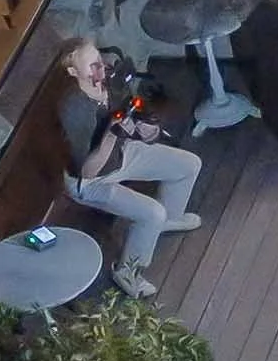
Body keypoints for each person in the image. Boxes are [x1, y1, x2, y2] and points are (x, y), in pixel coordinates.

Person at [55, 36, 202, 298]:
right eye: (92, 67)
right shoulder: (74, 110)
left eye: (99, 61)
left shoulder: (110, 81)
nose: (101, 70)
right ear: (72, 72)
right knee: (151, 213)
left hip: (122, 151)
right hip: (90, 181)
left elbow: (130, 114)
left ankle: (169, 220)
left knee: (188, 165)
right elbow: (88, 171)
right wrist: (111, 135)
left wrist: (146, 130)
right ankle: (128, 272)